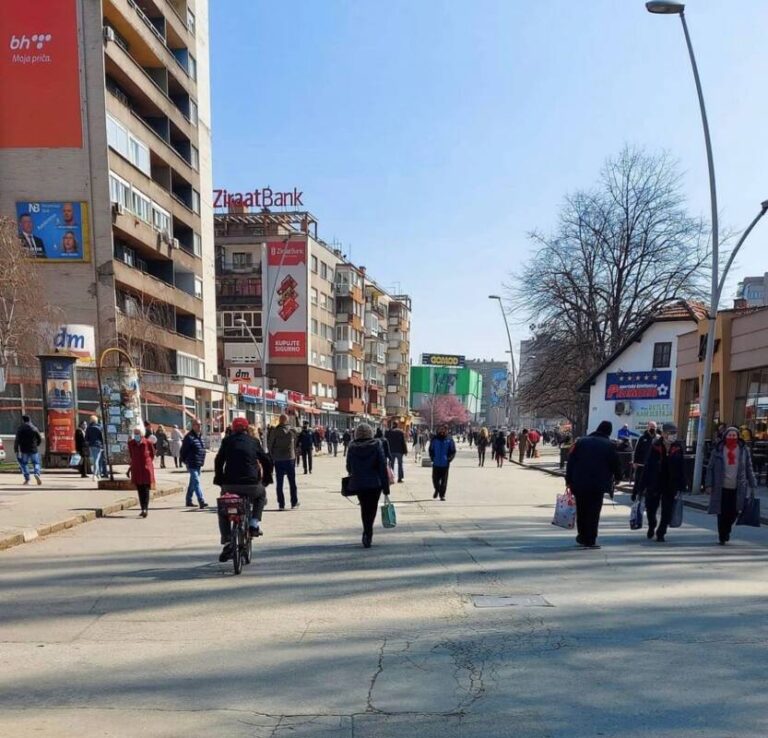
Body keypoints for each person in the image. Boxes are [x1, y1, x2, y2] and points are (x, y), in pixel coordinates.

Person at [214, 417, 274, 561]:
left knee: (224, 507)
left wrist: (220, 480)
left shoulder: (227, 441)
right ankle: (254, 523)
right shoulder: (253, 442)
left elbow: (218, 460)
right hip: (251, 485)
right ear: (247, 429)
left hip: (230, 485)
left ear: (233, 429)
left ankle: (228, 540)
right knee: (261, 495)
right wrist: (266, 479)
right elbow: (266, 460)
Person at [565, 420, 622, 549]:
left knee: (582, 509)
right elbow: (615, 464)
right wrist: (618, 478)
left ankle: (582, 536)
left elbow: (571, 462)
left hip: (579, 483)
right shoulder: (609, 445)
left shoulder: (581, 442)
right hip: (598, 484)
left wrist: (568, 480)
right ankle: (590, 539)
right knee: (594, 512)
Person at [706, 426, 758, 545]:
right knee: (722, 512)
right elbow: (710, 468)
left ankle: (727, 529)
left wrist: (753, 482)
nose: (732, 437)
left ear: (738, 436)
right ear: (725, 436)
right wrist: (708, 484)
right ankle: (722, 535)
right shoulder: (718, 449)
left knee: (734, 512)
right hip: (721, 487)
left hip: (738, 487)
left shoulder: (744, 450)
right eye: (730, 435)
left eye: (734, 435)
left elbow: (748, 467)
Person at [346, 422, 390, 548]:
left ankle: (366, 531)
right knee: (372, 508)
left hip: (359, 483)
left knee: (364, 508)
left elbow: (348, 466)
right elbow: (382, 466)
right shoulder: (377, 445)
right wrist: (386, 487)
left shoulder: (352, 446)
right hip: (374, 483)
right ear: (371, 433)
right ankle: (368, 531)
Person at [641, 422, 685, 543]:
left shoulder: (678, 447)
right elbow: (648, 466)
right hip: (655, 482)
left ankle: (661, 532)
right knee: (651, 508)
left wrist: (682, 484)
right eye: (671, 433)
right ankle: (652, 524)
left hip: (670, 483)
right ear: (664, 433)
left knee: (667, 510)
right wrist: (641, 486)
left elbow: (681, 467)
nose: (673, 435)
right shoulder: (655, 445)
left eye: (675, 433)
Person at [269, 414, 299, 510]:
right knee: (292, 481)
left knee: (279, 483)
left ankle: (281, 504)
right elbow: (300, 430)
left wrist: (273, 455)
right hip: (290, 458)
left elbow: (270, 445)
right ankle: (294, 502)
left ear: (279, 420)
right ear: (286, 420)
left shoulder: (274, 431)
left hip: (278, 459)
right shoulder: (292, 431)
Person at [180, 419, 209, 509]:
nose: (199, 426)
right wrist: (185, 461)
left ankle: (188, 500)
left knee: (193, 482)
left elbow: (202, 450)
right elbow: (183, 451)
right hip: (191, 463)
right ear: (193, 426)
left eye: (200, 425)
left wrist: (202, 461)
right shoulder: (189, 437)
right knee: (196, 481)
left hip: (198, 463)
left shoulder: (200, 436)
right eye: (197, 425)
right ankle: (201, 500)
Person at [127, 425, 155, 518]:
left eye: (138, 433)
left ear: (142, 434)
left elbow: (152, 455)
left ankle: (145, 509)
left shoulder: (148, 443)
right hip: (137, 469)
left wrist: (147, 463)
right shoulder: (131, 443)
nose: (136, 435)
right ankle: (142, 508)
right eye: (135, 433)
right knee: (139, 489)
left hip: (146, 468)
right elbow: (131, 455)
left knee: (146, 489)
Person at [429, 424, 456, 500]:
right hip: (436, 463)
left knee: (444, 481)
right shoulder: (434, 439)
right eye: (441, 429)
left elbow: (453, 451)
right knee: (435, 480)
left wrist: (449, 459)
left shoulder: (449, 439)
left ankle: (442, 495)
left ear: (447, 430)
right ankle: (437, 489)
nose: (442, 431)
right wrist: (432, 458)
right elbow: (431, 449)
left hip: (445, 464)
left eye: (444, 429)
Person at [631, 421, 657, 500]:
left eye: (654, 427)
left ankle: (647, 498)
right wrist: (635, 462)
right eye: (651, 427)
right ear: (648, 427)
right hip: (641, 464)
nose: (652, 428)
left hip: (653, 465)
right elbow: (637, 451)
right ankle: (635, 493)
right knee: (639, 480)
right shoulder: (643, 438)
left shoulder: (658, 438)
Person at [14, 414, 43, 485]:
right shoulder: (34, 428)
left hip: (24, 449)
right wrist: (37, 444)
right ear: (29, 420)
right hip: (33, 449)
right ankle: (37, 473)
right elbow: (39, 438)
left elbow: (17, 440)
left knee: (24, 464)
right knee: (36, 463)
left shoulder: (20, 429)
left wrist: (16, 449)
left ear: (23, 421)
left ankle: (27, 479)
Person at [84, 415, 105, 482]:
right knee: (97, 460)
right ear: (96, 420)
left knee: (96, 459)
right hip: (98, 445)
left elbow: (86, 438)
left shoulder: (88, 428)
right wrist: (102, 445)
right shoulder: (99, 427)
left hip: (91, 445)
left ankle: (98, 474)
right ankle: (94, 475)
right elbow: (102, 437)